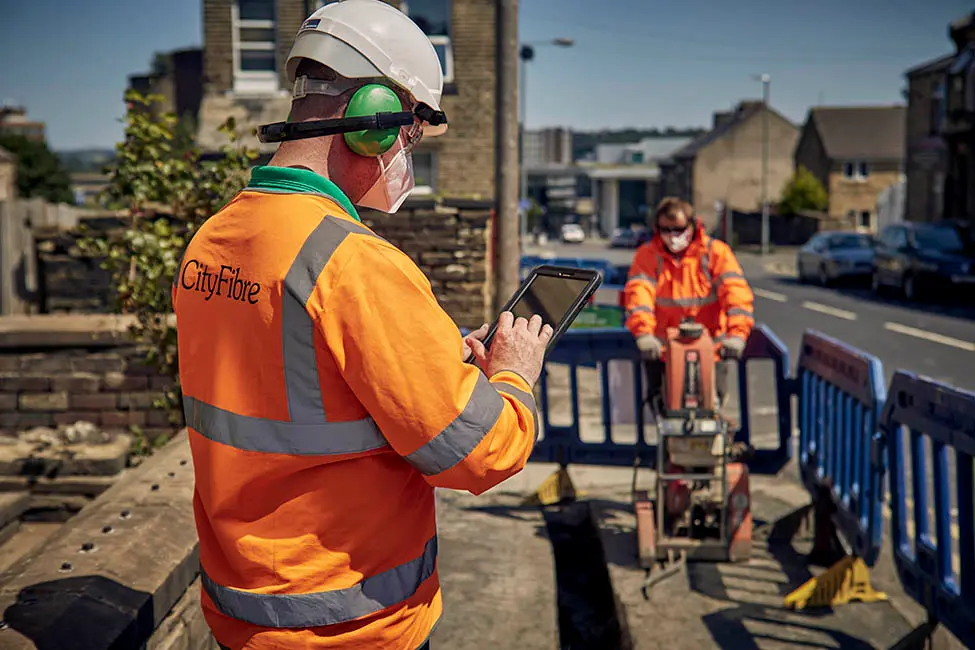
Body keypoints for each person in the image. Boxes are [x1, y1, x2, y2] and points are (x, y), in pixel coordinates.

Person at [171, 1, 552, 648]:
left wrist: (435, 364)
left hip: (240, 612)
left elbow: (298, 387)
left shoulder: (213, 240)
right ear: (373, 121)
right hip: (349, 626)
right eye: (409, 134)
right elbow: (480, 455)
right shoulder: (354, 263)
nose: (406, 153)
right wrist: (512, 377)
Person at [623, 197, 755, 405]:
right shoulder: (648, 255)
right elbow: (639, 295)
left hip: (711, 351)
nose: (672, 236)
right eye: (665, 230)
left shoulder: (715, 253)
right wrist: (643, 333)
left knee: (714, 405)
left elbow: (735, 293)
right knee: (662, 405)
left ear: (692, 225)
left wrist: (737, 335)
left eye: (678, 229)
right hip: (663, 352)